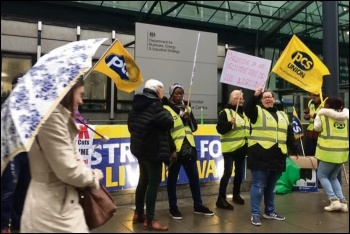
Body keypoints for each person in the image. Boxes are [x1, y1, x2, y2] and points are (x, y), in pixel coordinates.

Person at [20, 77, 104, 232]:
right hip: (51, 211)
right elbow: (69, 170)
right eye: (80, 94)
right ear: (67, 92)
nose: (81, 101)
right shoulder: (51, 119)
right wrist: (93, 176)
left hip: (57, 205)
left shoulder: (57, 116)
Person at [244, 88, 298, 226]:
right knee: (259, 184)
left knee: (272, 185)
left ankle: (269, 211)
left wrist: (295, 148)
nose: (268, 99)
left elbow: (288, 133)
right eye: (265, 97)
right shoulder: (256, 111)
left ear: (274, 99)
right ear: (261, 100)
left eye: (270, 97)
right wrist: (255, 95)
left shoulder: (282, 114)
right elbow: (247, 109)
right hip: (259, 154)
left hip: (278, 155)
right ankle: (255, 213)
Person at [128, 79, 174, 231]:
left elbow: (131, 126)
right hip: (153, 150)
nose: (163, 92)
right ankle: (150, 219)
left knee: (143, 180)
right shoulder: (155, 105)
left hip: (140, 149)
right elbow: (168, 122)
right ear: (157, 90)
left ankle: (138, 213)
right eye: (162, 89)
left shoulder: (138, 104)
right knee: (153, 183)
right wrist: (167, 105)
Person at [163, 83, 214, 220]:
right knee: (172, 180)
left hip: (189, 148)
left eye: (181, 93)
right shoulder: (166, 108)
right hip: (175, 151)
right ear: (171, 94)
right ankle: (173, 208)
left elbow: (194, 128)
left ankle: (198, 206)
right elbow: (165, 132)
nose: (179, 96)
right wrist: (172, 150)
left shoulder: (187, 108)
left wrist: (188, 116)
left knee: (194, 179)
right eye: (176, 93)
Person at [1, 73, 31, 233]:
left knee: (23, 189)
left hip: (26, 151)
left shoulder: (30, 104)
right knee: (8, 190)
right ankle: (4, 225)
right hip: (12, 153)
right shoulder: (6, 104)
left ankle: (18, 224)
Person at [215, 90, 250, 210]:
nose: (240, 100)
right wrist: (230, 123)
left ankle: (236, 195)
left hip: (241, 148)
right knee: (228, 173)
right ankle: (221, 198)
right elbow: (220, 129)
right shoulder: (225, 112)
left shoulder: (244, 114)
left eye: (242, 98)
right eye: (237, 98)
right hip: (229, 149)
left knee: (239, 173)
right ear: (231, 100)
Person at [314, 97, 349, 212]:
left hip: (327, 151)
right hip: (342, 152)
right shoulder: (347, 117)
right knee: (333, 177)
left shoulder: (323, 115)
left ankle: (333, 200)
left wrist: (317, 117)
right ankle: (343, 202)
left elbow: (316, 128)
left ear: (328, 105)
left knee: (322, 176)